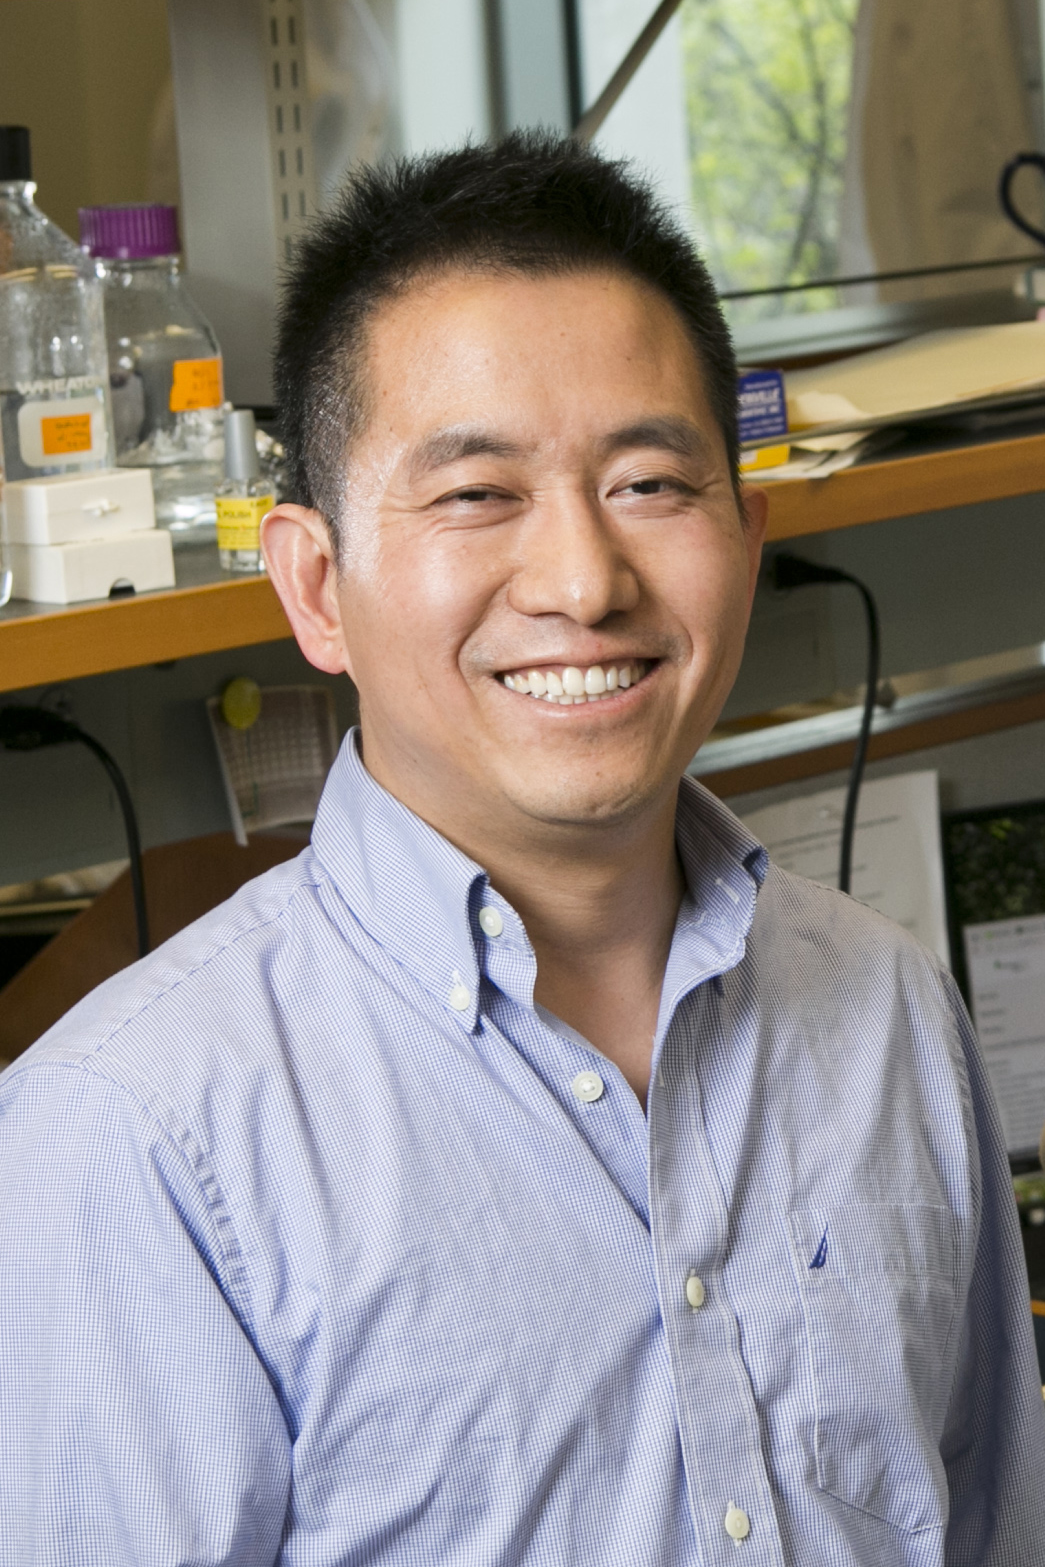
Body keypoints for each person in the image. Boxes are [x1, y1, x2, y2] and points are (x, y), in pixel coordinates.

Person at [1, 134, 1042, 1566]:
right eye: (477, 493)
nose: (580, 583)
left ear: (743, 541)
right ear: (314, 584)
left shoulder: (885, 1010)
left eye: (650, 484)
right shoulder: (137, 1140)